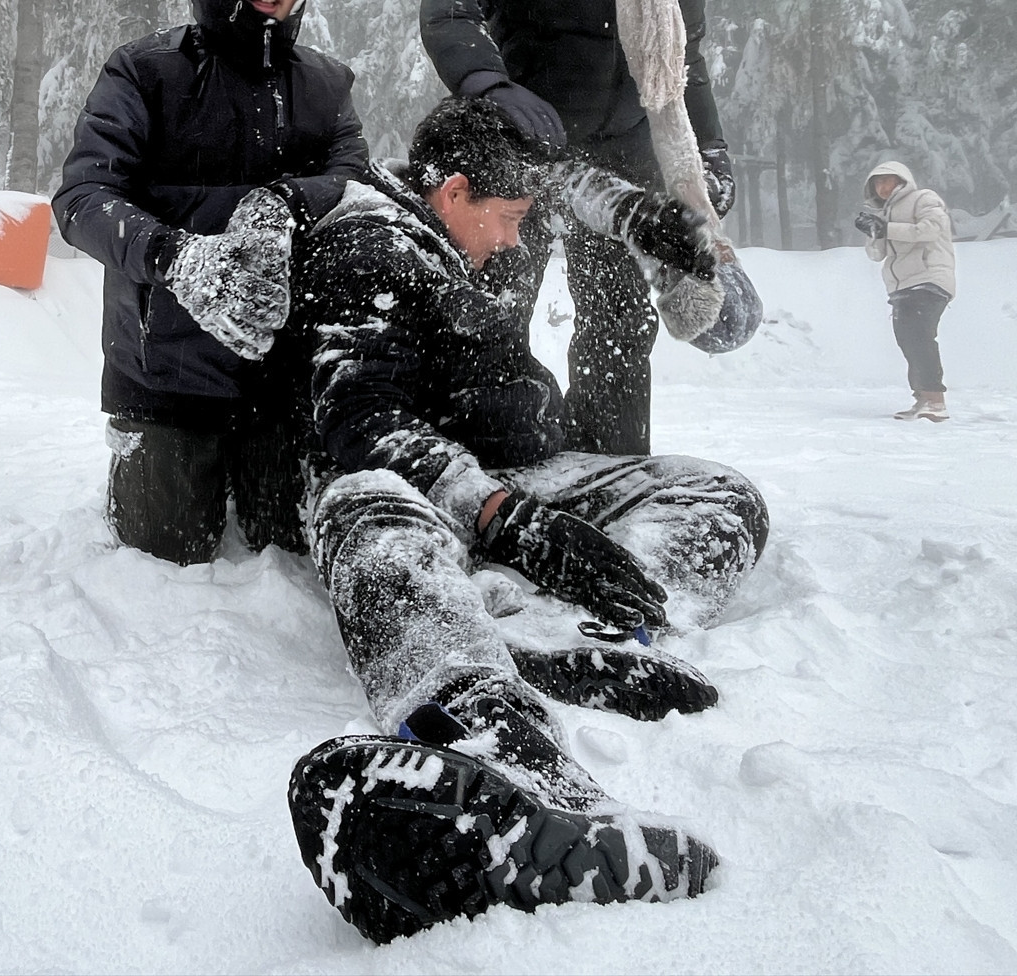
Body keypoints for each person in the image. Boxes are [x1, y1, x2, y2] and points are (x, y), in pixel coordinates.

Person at [284, 98, 769, 942]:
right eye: (507, 221)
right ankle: (489, 738)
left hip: (520, 473)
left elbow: (563, 187)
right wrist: (507, 518)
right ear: (452, 193)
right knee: (375, 523)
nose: (515, 241)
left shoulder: (476, 215)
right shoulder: (369, 244)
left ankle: (586, 635)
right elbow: (359, 421)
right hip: (408, 485)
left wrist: (649, 221)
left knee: (720, 494)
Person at [419, 0, 747, 455]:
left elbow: (685, 55)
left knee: (620, 330)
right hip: (524, 153)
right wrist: (489, 85)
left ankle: (612, 470)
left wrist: (709, 151)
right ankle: (486, 470)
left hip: (625, 158)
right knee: (491, 317)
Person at [55, 0, 369, 564]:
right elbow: (83, 198)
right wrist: (175, 256)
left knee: (286, 547)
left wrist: (282, 203)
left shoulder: (325, 85)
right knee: (162, 554)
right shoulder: (145, 71)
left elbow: (352, 180)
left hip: (281, 374)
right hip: (164, 370)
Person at [855, 160, 956, 421]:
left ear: (902, 180)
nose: (881, 187)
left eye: (887, 180)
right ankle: (923, 397)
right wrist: (874, 232)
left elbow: (931, 229)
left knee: (920, 337)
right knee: (907, 340)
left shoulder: (923, 198)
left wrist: (886, 228)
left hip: (929, 278)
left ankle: (936, 400)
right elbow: (876, 255)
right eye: (876, 183)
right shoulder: (884, 214)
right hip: (901, 286)